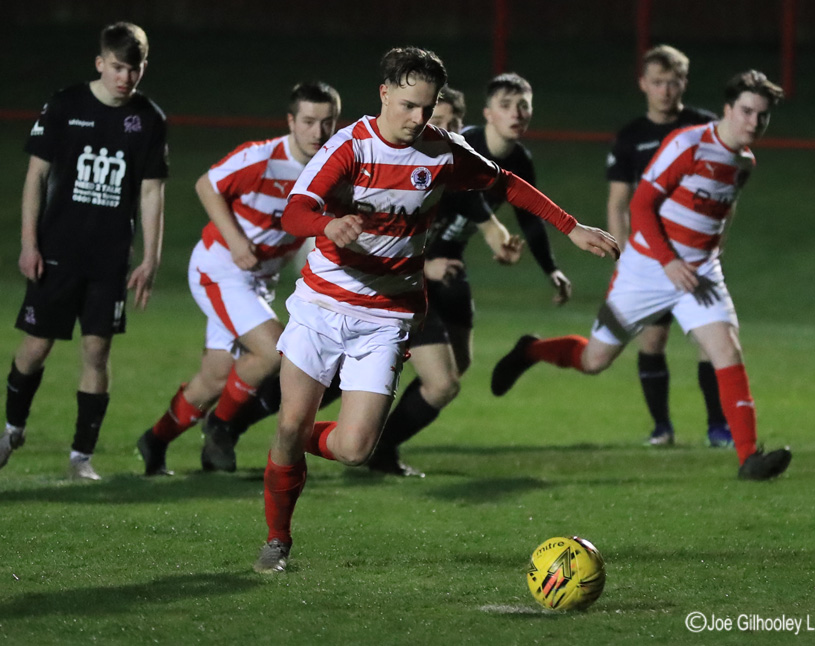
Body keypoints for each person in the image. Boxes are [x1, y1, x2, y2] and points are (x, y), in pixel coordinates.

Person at [254, 46, 619, 573]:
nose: (417, 118)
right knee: (292, 423)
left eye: (426, 108)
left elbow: (504, 182)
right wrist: (327, 224)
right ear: (383, 94)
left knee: (354, 450)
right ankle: (277, 538)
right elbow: (295, 211)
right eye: (408, 105)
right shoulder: (350, 147)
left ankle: (290, 437)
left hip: (387, 316)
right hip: (322, 305)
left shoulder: (442, 150)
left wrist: (571, 226)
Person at [491, 70, 791, 482]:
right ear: (727, 108)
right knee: (594, 361)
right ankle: (531, 350)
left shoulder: (744, 162)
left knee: (727, 351)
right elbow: (642, 205)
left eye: (762, 115)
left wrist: (714, 244)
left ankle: (749, 459)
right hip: (647, 269)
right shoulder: (688, 144)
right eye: (746, 111)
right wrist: (668, 261)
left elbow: (724, 206)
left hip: (700, 272)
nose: (754, 122)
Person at [136, 82, 341, 476]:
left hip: (258, 281)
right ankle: (221, 428)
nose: (318, 131)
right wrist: (235, 241)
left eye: (327, 122)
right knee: (272, 352)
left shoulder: (330, 169)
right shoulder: (263, 158)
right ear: (291, 122)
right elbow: (206, 185)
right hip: (220, 269)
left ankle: (155, 440)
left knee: (214, 379)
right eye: (308, 121)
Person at [1, 22, 167, 480]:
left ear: (143, 68)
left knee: (96, 351)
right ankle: (12, 429)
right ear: (100, 63)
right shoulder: (65, 105)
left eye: (134, 69)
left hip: (109, 260)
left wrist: (150, 259)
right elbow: (36, 176)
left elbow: (152, 192)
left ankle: (81, 457)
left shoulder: (149, 119)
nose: (125, 77)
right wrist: (29, 243)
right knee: (36, 347)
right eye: (117, 67)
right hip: (56, 252)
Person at [365, 87, 524, 477]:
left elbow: (488, 221)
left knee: (457, 366)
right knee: (440, 383)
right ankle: (374, 447)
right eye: (439, 121)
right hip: (399, 285)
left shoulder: (454, 170)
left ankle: (376, 445)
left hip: (443, 281)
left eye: (455, 123)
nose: (448, 130)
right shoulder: (396, 171)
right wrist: (426, 268)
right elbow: (370, 249)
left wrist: (503, 244)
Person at [607, 45, 732, 449]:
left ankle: (718, 428)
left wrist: (716, 242)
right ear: (643, 84)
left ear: (684, 83)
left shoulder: (706, 127)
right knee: (652, 341)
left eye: (673, 82)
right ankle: (662, 427)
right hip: (650, 259)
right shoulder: (631, 137)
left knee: (709, 343)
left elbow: (724, 190)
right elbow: (619, 204)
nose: (665, 90)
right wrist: (624, 259)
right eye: (657, 82)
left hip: (694, 258)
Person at [463, 73, 574, 306]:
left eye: (523, 105)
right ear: (488, 114)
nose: (516, 114)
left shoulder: (520, 161)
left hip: (447, 257)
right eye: (505, 105)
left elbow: (529, 217)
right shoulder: (463, 146)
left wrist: (551, 269)